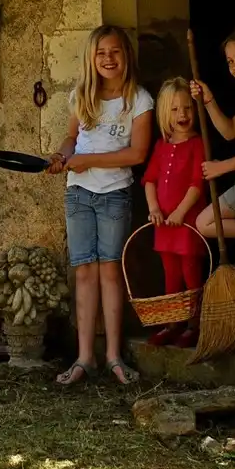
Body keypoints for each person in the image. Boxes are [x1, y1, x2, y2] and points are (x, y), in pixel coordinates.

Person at [46, 24, 152, 386]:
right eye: (101, 53)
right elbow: (71, 138)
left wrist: (89, 162)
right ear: (91, 59)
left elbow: (137, 154)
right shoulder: (82, 96)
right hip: (78, 194)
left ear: (126, 56)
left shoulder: (139, 99)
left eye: (115, 52)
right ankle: (84, 357)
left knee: (110, 272)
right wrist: (62, 155)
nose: (108, 59)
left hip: (114, 195)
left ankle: (113, 357)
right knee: (84, 272)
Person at [141, 78, 207, 349]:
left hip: (187, 221)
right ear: (165, 113)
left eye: (188, 109)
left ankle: (195, 324)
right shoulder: (161, 146)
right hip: (165, 223)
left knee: (191, 271)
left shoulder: (197, 144)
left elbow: (196, 184)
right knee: (170, 273)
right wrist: (154, 209)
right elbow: (150, 180)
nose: (183, 115)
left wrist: (180, 212)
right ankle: (172, 322)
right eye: (175, 109)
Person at [190, 29, 235, 241]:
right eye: (230, 61)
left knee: (204, 223)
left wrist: (221, 167)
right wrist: (208, 100)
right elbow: (229, 132)